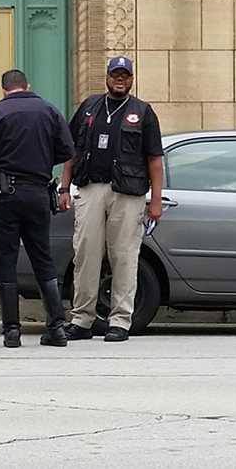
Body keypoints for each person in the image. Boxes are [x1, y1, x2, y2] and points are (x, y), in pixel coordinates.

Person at [0, 70, 75, 348]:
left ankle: (12, 331)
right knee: (42, 258)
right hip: (38, 192)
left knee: (6, 260)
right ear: (28, 86)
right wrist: (41, 159)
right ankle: (57, 328)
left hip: (4, 196)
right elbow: (67, 150)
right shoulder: (49, 110)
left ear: (3, 90)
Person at [58, 56, 164, 343]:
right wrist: (64, 187)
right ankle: (82, 319)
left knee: (125, 256)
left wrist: (156, 201)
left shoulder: (143, 112)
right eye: (115, 74)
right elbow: (72, 151)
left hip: (128, 193)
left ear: (131, 79)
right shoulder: (90, 106)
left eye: (125, 75)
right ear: (106, 77)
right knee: (85, 254)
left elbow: (155, 159)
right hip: (91, 188)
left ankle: (120, 321)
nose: (120, 79)